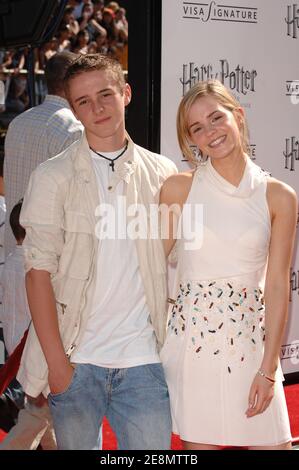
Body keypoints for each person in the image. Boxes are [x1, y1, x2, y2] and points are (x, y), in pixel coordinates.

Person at [17, 54, 177, 450]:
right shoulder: (52, 175)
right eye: (83, 101)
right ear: (73, 109)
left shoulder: (164, 174)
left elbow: (179, 265)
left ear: (126, 93)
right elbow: (38, 272)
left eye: (105, 94)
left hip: (145, 362)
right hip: (76, 361)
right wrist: (58, 365)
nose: (97, 108)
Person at [159, 80, 297, 450]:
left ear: (238, 115)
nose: (210, 132)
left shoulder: (279, 196)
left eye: (216, 118)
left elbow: (279, 286)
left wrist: (268, 370)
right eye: (197, 128)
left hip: (253, 345)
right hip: (194, 349)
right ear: (191, 140)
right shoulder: (178, 188)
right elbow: (148, 269)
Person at [4, 51, 83, 256]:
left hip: (14, 249)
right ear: (72, 80)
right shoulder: (73, 129)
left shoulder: (17, 122)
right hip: (49, 254)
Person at [0, 200, 56, 450]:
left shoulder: (9, 263)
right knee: (37, 418)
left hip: (16, 350)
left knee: (42, 418)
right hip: (35, 352)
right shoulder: (36, 268)